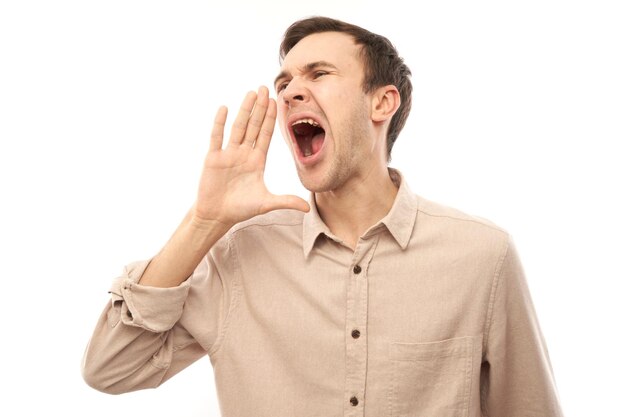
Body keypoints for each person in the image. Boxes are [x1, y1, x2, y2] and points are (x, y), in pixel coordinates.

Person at [82, 16, 563, 417]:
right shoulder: (239, 254)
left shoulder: (481, 255)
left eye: (318, 74)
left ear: (382, 102)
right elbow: (110, 367)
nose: (291, 91)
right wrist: (205, 222)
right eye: (285, 82)